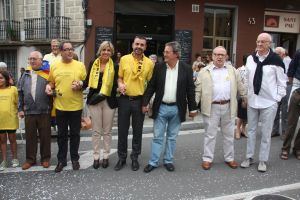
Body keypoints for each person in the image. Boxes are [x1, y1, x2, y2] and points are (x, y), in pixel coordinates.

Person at [142, 41, 197, 173]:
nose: (164, 54)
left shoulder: (186, 68)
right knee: (157, 136)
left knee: (172, 137)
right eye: (165, 52)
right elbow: (151, 87)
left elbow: (190, 90)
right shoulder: (159, 67)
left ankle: (168, 160)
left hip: (177, 109)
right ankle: (153, 162)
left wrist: (193, 108)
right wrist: (145, 103)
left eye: (167, 52)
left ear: (176, 54)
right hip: (160, 107)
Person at [240, 33, 286, 172]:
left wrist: (276, 99)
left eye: (263, 42)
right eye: (258, 41)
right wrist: (245, 96)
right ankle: (249, 157)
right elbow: (246, 78)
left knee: (266, 133)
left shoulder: (276, 60)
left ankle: (263, 160)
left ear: (269, 44)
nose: (259, 44)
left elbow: (282, 82)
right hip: (253, 100)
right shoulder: (250, 59)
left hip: (269, 102)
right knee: (251, 130)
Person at [195, 46, 246, 170]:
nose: (219, 57)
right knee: (210, 135)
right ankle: (207, 158)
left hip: (228, 106)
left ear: (226, 56)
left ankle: (229, 158)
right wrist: (193, 106)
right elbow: (198, 90)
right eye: (217, 54)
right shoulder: (204, 71)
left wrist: (245, 97)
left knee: (228, 134)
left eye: (222, 55)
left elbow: (240, 85)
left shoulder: (233, 70)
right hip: (211, 107)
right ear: (212, 56)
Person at [45, 41, 86, 173]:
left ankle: (74, 159)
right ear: (61, 52)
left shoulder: (80, 65)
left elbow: (86, 82)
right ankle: (61, 160)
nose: (70, 52)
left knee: (75, 134)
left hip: (76, 106)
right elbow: (51, 82)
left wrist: (80, 84)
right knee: (61, 135)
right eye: (67, 49)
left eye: (71, 49)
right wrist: (48, 87)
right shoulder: (55, 66)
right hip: (60, 106)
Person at [114, 36, 154, 171]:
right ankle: (122, 158)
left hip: (139, 101)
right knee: (122, 131)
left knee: (138, 131)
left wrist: (147, 102)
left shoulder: (149, 63)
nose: (139, 46)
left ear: (145, 47)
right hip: (124, 100)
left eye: (142, 45)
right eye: (137, 44)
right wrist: (120, 84)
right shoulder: (124, 59)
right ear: (132, 45)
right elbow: (119, 77)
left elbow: (150, 85)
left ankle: (135, 158)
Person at [82, 41, 118, 169]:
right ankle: (96, 156)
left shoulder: (115, 66)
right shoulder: (93, 63)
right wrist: (79, 85)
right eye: (104, 50)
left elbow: (116, 84)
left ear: (111, 52)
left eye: (108, 50)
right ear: (100, 51)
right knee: (96, 131)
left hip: (109, 100)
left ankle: (106, 156)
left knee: (107, 131)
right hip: (94, 100)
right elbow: (87, 81)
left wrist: (120, 87)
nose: (106, 52)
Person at [18, 51, 52, 170]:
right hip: (29, 111)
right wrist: (20, 108)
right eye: (30, 59)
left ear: (41, 60)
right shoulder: (25, 74)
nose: (32, 61)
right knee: (30, 137)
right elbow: (20, 92)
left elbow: (53, 90)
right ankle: (30, 159)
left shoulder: (47, 74)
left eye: (34, 59)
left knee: (45, 137)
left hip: (44, 110)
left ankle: (45, 158)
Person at [280, 49, 300, 160]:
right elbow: (291, 70)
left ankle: (297, 148)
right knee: (292, 121)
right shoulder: (298, 52)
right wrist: (292, 86)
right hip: (297, 90)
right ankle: (285, 148)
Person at [0, 70, 19, 171]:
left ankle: (15, 158)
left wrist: (19, 112)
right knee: (2, 141)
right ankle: (4, 160)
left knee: (12, 140)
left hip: (11, 119)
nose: (0, 80)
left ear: (6, 79)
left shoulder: (13, 89)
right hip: (0, 121)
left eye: (1, 78)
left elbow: (17, 103)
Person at [271, 47, 291, 139]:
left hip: (286, 86)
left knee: (284, 110)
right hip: (275, 86)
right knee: (275, 108)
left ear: (282, 54)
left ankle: (284, 131)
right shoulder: (273, 61)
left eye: (277, 54)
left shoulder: (289, 61)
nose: (275, 55)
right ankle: (275, 130)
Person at [235, 55, 249, 139]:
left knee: (246, 115)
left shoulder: (252, 69)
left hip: (251, 95)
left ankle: (243, 129)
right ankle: (237, 130)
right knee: (241, 114)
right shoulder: (239, 70)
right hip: (242, 95)